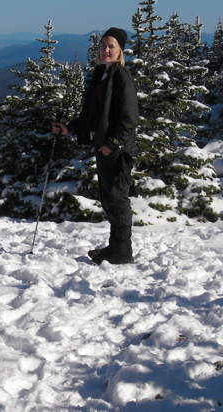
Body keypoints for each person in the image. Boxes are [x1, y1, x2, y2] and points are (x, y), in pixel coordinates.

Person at [52, 27, 139, 264]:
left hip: (117, 150)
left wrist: (113, 144)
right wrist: (70, 127)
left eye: (111, 46)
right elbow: (93, 115)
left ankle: (122, 251)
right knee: (110, 197)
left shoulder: (122, 77)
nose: (106, 50)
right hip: (105, 147)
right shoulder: (102, 74)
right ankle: (116, 248)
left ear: (120, 50)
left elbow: (129, 118)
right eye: (103, 46)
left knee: (117, 198)